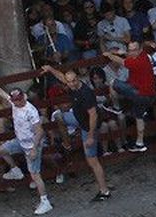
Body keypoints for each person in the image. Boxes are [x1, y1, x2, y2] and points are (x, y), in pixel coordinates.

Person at [0, 77, 51, 215]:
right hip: (20, 141)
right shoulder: (14, 103)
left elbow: (39, 130)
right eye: (15, 100)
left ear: (24, 97)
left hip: (32, 144)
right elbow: (1, 92)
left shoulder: (30, 111)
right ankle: (15, 170)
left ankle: (45, 201)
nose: (17, 102)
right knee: (1, 150)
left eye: (19, 100)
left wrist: (33, 149)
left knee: (35, 175)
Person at [48, 64, 113, 201]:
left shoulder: (86, 93)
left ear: (78, 79)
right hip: (79, 119)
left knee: (92, 160)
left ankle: (104, 190)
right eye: (69, 82)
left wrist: (89, 136)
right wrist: (50, 69)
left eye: (73, 81)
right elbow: (62, 77)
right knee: (59, 116)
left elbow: (93, 115)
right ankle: (66, 142)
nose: (70, 84)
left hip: (88, 126)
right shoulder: (72, 85)